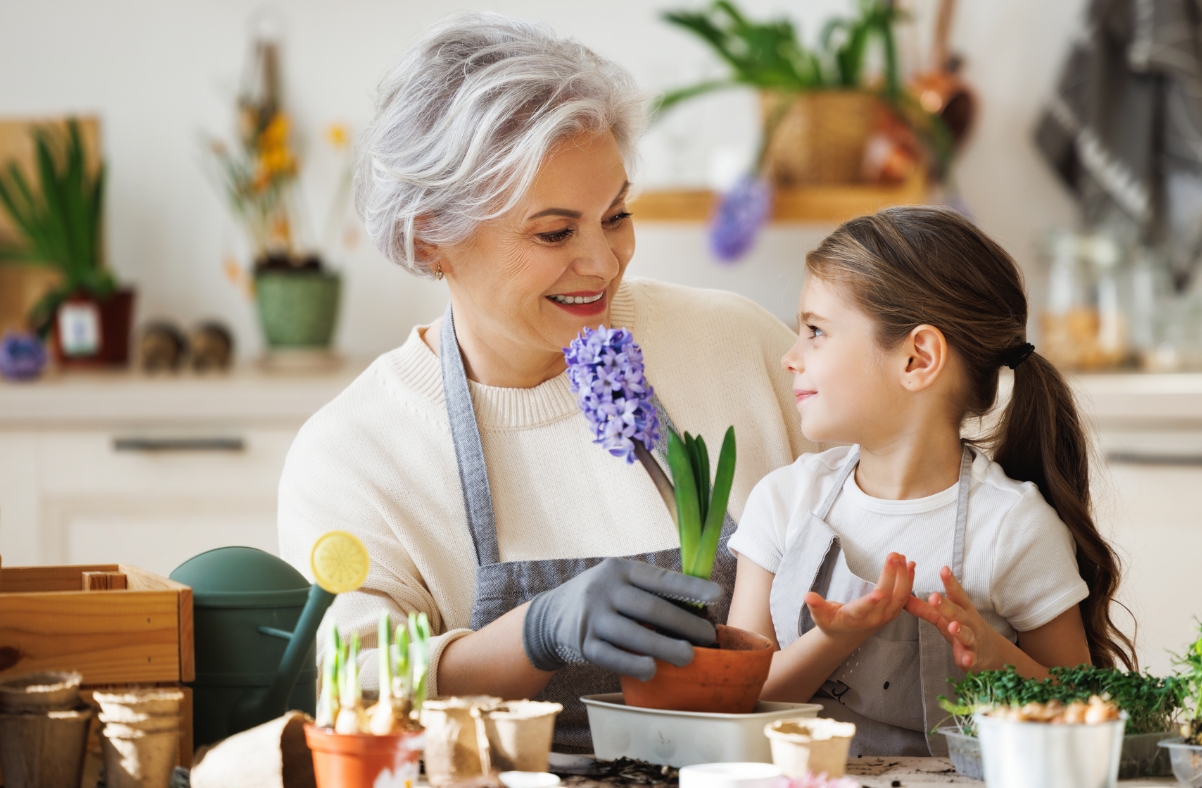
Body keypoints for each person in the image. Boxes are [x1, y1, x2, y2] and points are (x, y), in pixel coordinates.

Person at [277, 13, 814, 751]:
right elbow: (360, 693)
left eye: (616, 214)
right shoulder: (358, 450)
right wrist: (536, 635)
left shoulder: (736, 345)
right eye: (554, 233)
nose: (603, 261)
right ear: (431, 234)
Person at [726, 207, 1136, 756]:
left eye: (816, 332)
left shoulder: (1012, 527)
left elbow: (1090, 713)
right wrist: (831, 641)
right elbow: (732, 702)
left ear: (918, 358)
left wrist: (999, 658)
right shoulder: (783, 502)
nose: (789, 357)